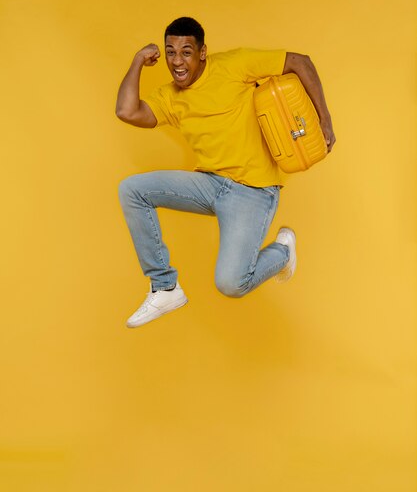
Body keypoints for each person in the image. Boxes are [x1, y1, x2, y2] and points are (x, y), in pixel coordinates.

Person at [116, 17, 335, 328]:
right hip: (208, 183)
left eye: (186, 52)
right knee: (131, 189)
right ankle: (165, 287)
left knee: (231, 284)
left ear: (203, 52)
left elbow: (300, 61)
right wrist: (138, 60)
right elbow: (127, 111)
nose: (177, 62)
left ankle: (283, 252)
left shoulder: (235, 65)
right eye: (170, 52)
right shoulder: (170, 96)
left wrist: (324, 121)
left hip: (252, 190)